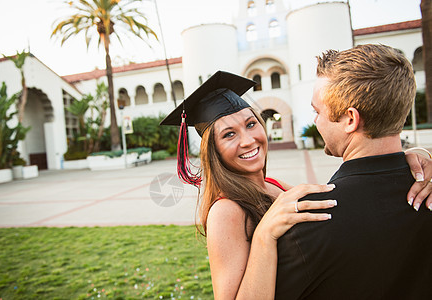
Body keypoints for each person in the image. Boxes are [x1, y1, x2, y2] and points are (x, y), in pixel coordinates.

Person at [161, 70, 432, 299]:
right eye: (229, 134)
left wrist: (409, 158)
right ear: (214, 150)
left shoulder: (274, 186)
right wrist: (264, 235)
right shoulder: (227, 211)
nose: (248, 140)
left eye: (251, 124)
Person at [275, 44, 432, 299]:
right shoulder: (426, 190)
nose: (316, 122)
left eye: (318, 112)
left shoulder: (309, 218)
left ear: (350, 119)